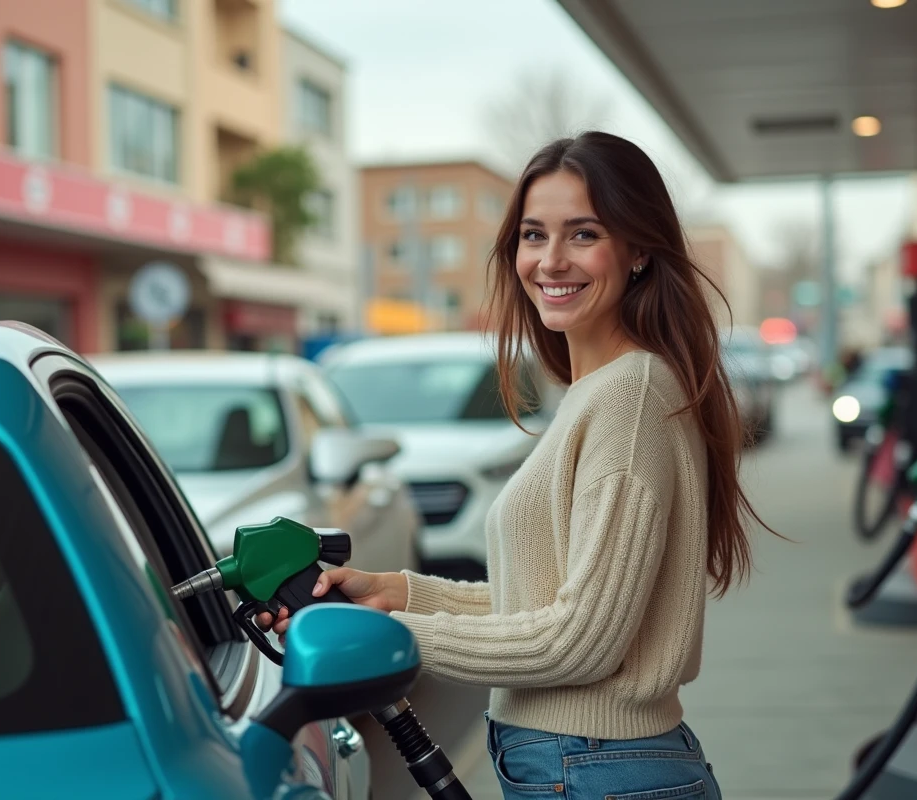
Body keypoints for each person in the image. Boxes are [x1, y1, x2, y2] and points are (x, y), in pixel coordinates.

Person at [260, 131, 772, 799]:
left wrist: (394, 632)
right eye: (534, 236)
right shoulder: (600, 390)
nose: (551, 261)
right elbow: (550, 602)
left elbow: (580, 642)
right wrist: (399, 592)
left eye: (583, 234)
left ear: (640, 249)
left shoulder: (632, 396)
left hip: (598, 769)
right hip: (587, 767)